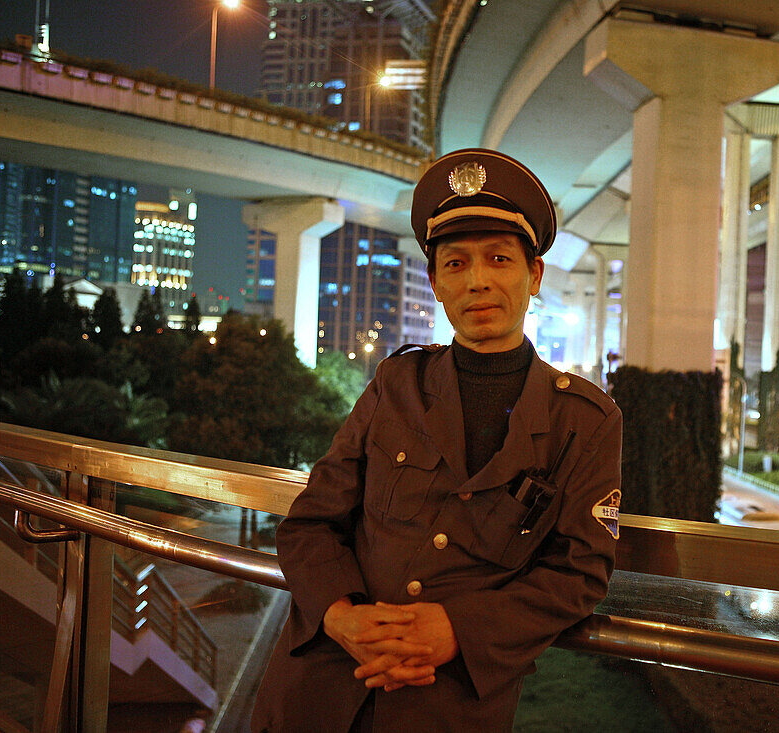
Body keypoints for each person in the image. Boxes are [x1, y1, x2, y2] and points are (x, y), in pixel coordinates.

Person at [251, 148, 623, 732]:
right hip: (320, 690)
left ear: (534, 276)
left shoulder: (585, 420)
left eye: (499, 259)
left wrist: (458, 630)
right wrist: (341, 616)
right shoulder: (397, 384)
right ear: (434, 284)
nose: (477, 281)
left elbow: (579, 573)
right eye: (455, 265)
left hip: (448, 703)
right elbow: (310, 522)